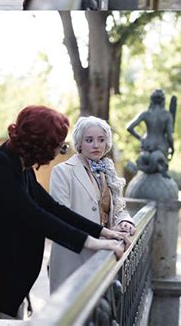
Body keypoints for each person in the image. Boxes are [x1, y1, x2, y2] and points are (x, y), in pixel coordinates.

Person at [0, 105, 129, 326]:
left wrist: (104, 232)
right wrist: (93, 244)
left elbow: (53, 208)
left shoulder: (21, 168)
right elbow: (34, 216)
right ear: (41, 144)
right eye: (58, 145)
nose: (60, 151)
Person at [49, 115, 136, 292]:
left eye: (101, 140)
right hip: (73, 255)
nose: (96, 145)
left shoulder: (108, 171)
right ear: (79, 143)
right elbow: (61, 217)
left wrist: (124, 221)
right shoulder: (62, 172)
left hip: (104, 255)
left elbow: (117, 208)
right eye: (89, 140)